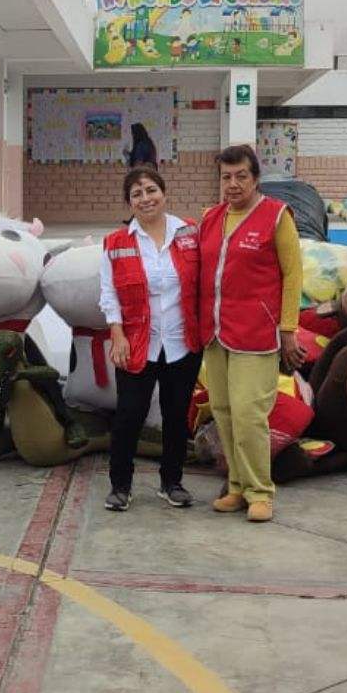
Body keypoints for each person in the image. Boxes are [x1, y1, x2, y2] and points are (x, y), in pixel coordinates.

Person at [198, 145, 304, 522]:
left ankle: (261, 491)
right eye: (226, 177)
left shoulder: (276, 217)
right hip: (214, 332)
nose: (233, 184)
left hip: (257, 332)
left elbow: (293, 275)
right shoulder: (210, 218)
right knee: (224, 411)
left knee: (248, 413)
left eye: (241, 176)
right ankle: (238, 486)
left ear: (255, 178)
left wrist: (288, 328)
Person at [98, 167, 202, 511]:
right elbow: (108, 291)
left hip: (182, 343)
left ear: (164, 192)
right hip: (137, 342)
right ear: (129, 202)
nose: (146, 199)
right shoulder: (116, 242)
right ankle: (120, 486)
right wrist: (117, 332)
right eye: (137, 194)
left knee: (176, 415)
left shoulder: (189, 233)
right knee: (129, 415)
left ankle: (172, 482)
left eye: (151, 190)